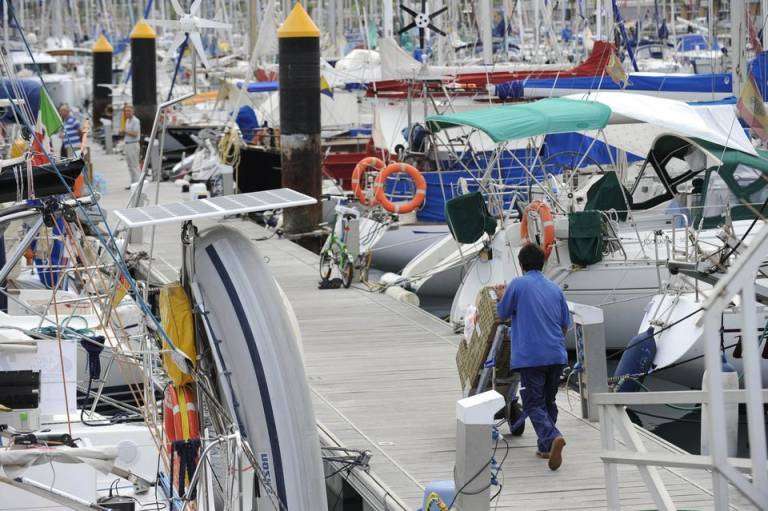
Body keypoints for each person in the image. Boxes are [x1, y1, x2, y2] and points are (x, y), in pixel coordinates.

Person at [495, 243, 571, 471]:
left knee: (532, 402)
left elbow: (502, 313)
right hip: (556, 354)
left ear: (521, 264)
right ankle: (546, 447)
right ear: (543, 263)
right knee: (549, 401)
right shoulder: (555, 288)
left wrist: (501, 295)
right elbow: (565, 325)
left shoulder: (517, 285)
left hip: (531, 357)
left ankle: (553, 436)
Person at [120, 104, 141, 189]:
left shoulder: (136, 121)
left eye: (129, 111)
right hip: (127, 144)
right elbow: (127, 133)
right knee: (130, 166)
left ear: (133, 111)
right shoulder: (127, 121)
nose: (127, 112)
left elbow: (135, 134)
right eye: (125, 111)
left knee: (134, 165)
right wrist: (122, 132)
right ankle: (133, 183)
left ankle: (138, 184)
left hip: (133, 144)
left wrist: (125, 130)